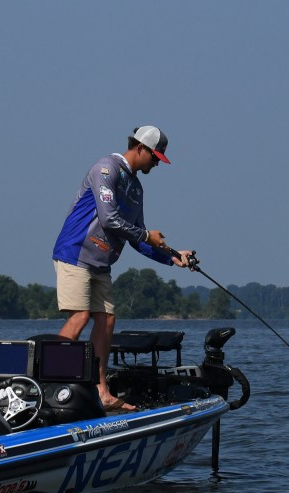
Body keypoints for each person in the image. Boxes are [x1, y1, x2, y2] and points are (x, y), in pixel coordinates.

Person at [52, 125, 196, 410]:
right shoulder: (106, 169)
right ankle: (50, 382)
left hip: (101, 263)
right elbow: (109, 219)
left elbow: (138, 238)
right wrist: (146, 235)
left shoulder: (136, 189)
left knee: (107, 320)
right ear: (140, 148)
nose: (157, 164)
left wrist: (172, 256)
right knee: (80, 316)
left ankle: (102, 392)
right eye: (154, 157)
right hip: (75, 254)